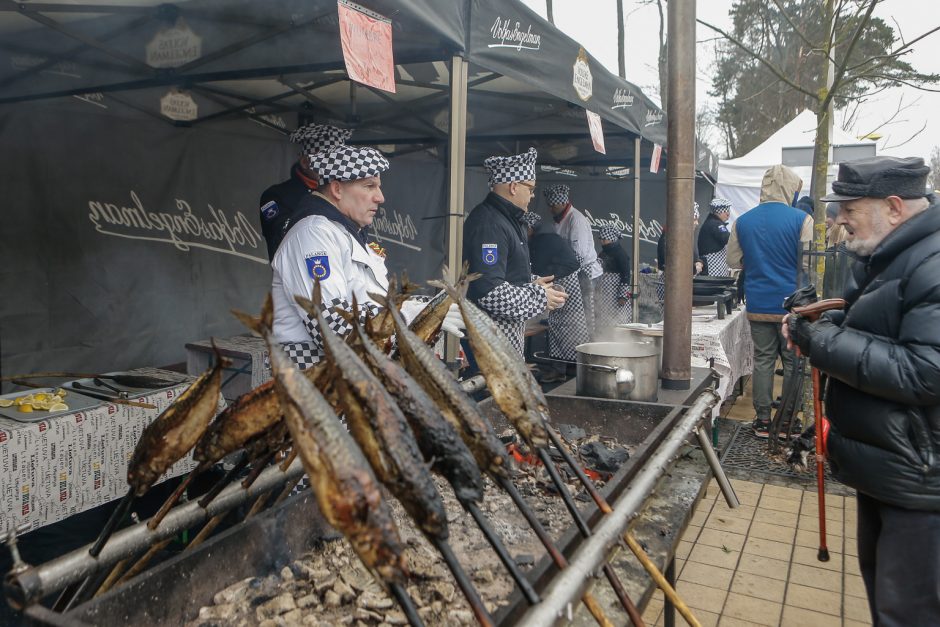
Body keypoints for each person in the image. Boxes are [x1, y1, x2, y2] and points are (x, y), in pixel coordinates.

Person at [783, 156, 940, 625]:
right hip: (891, 466)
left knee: (908, 613)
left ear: (893, 207)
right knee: (885, 601)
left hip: (921, 479)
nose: (839, 219)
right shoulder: (886, 255)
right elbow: (876, 330)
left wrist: (823, 342)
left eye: (850, 207)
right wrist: (825, 319)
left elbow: (927, 370)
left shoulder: (931, 262)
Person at [268, 140, 463, 367]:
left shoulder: (345, 233)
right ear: (337, 189)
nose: (380, 197)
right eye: (369, 186)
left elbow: (367, 301)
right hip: (313, 377)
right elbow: (332, 326)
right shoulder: (313, 234)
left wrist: (422, 306)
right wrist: (411, 316)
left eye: (378, 187)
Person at [727, 164, 812, 437]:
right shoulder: (801, 219)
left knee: (763, 360)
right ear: (790, 188)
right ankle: (788, 421)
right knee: (792, 362)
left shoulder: (743, 221)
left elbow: (733, 261)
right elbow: (809, 261)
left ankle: (762, 420)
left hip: (758, 301)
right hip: (792, 303)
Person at [463, 148, 567, 357]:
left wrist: (530, 283)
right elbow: (489, 291)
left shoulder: (509, 219)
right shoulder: (489, 224)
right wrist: (540, 297)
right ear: (513, 186)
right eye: (530, 189)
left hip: (505, 333)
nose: (533, 195)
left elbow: (506, 271)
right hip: (491, 334)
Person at [259, 123, 352, 260]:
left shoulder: (346, 193)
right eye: (329, 160)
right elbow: (284, 234)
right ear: (305, 162)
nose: (336, 167)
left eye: (341, 160)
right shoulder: (275, 196)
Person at [522, 211, 589, 383]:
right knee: (570, 326)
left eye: (523, 227)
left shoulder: (540, 242)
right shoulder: (548, 238)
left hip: (564, 281)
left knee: (561, 326)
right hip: (571, 279)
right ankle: (573, 367)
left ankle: (559, 369)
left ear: (530, 228)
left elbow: (540, 270)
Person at [545, 184, 603, 338]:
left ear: (563, 203)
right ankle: (574, 340)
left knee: (585, 312)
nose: (551, 209)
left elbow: (579, 254)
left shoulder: (576, 220)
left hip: (585, 273)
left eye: (553, 205)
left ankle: (589, 343)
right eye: (549, 205)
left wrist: (560, 272)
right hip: (572, 271)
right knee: (574, 311)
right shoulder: (558, 220)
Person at [596, 225, 632, 326]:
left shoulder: (621, 254)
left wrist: (622, 296)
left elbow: (626, 275)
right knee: (605, 318)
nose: (602, 241)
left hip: (615, 293)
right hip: (604, 294)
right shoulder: (603, 253)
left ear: (612, 238)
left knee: (617, 319)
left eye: (604, 239)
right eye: (601, 239)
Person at [657, 202, 704, 275]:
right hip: (671, 281)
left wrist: (698, 262)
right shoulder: (669, 236)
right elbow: (668, 262)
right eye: (694, 219)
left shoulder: (688, 236)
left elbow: (695, 257)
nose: (697, 223)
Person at [697, 197, 733, 276]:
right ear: (718, 211)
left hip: (711, 265)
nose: (728, 214)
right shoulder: (716, 224)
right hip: (713, 267)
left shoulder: (710, 222)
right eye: (726, 211)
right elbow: (726, 238)